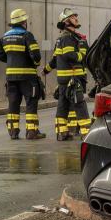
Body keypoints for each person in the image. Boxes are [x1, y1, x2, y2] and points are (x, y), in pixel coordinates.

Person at [43, 9, 92, 141]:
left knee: (63, 104)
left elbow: (55, 59)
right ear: (66, 21)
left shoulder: (65, 38)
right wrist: (82, 54)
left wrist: (46, 70)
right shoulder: (67, 38)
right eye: (72, 17)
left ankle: (62, 131)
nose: (76, 18)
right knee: (80, 104)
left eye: (76, 16)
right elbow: (69, 55)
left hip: (64, 79)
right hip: (71, 78)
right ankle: (86, 132)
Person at [0, 9, 46, 140]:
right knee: (31, 102)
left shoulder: (5, 37)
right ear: (24, 22)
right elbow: (36, 55)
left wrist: (12, 61)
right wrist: (35, 63)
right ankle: (32, 132)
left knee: (13, 103)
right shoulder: (27, 35)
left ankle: (13, 132)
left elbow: (0, 55)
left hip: (11, 77)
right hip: (28, 77)